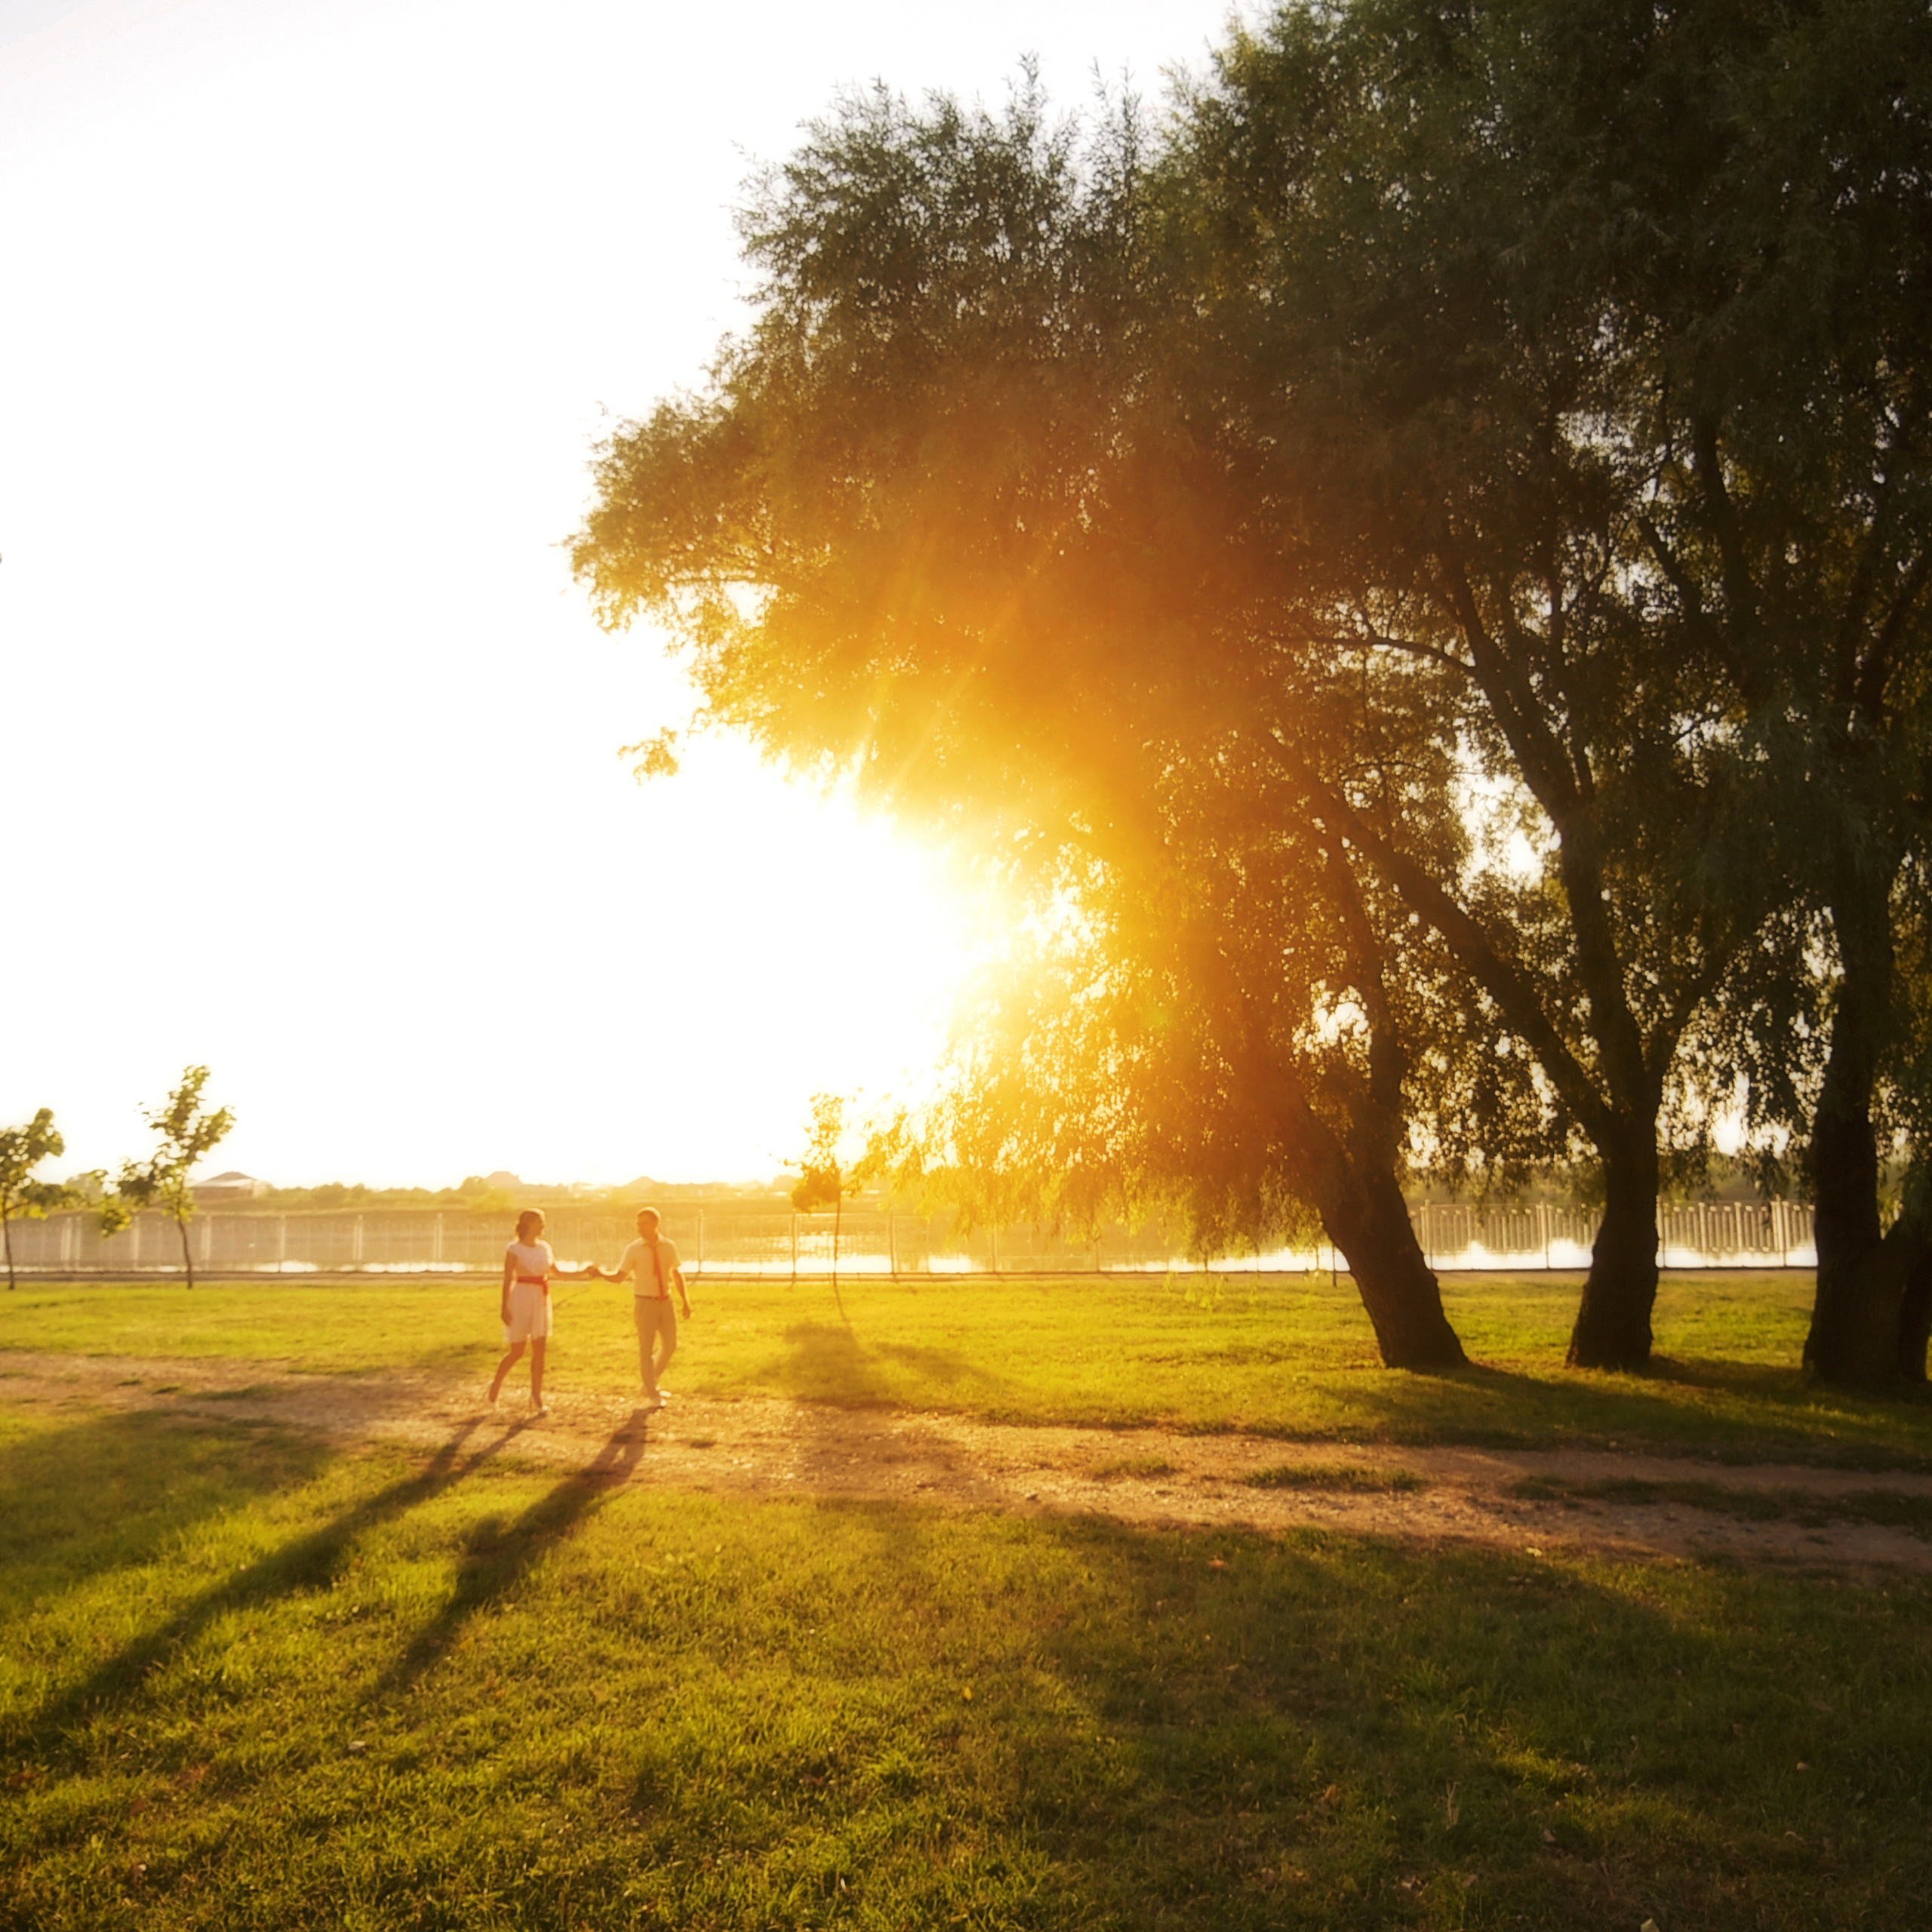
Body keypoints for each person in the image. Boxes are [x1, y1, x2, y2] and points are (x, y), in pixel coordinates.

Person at [488, 1208, 598, 1416]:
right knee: (517, 1350)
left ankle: (536, 1396)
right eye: (540, 1222)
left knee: (540, 1349)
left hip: (541, 1298)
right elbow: (507, 1279)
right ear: (529, 1224)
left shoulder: (545, 1248)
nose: (543, 1226)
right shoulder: (514, 1249)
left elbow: (557, 1273)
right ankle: (494, 1388)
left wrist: (583, 1272)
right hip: (521, 1298)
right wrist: (504, 1307)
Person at [590, 1204, 691, 1407]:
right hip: (645, 1302)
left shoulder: (669, 1246)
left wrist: (686, 1302)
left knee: (670, 1345)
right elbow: (620, 1277)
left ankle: (649, 1382)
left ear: (655, 1224)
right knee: (646, 1349)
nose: (639, 1228)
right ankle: (653, 1392)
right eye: (637, 1225)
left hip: (666, 1301)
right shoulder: (633, 1249)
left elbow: (676, 1273)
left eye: (643, 1224)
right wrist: (601, 1274)